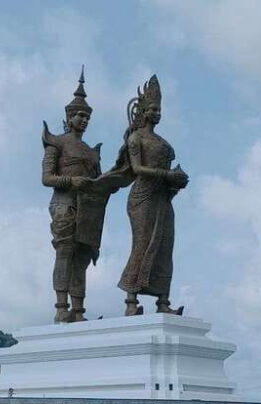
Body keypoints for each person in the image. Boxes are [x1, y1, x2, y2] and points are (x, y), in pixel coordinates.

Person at [115, 74, 190, 316]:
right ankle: (131, 300)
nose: (157, 113)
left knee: (165, 246)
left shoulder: (162, 142)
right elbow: (137, 169)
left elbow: (167, 173)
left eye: (159, 109)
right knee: (143, 244)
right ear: (143, 111)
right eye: (153, 109)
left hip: (162, 198)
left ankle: (163, 300)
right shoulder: (136, 138)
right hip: (143, 197)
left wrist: (176, 180)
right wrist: (167, 175)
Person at [42, 68, 104, 324]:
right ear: (69, 116)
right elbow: (47, 178)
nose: (84, 120)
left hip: (87, 209)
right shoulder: (56, 142)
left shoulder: (91, 152)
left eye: (87, 116)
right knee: (65, 253)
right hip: (64, 204)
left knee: (82, 258)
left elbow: (100, 183)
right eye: (80, 115)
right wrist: (71, 181)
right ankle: (61, 307)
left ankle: (78, 310)